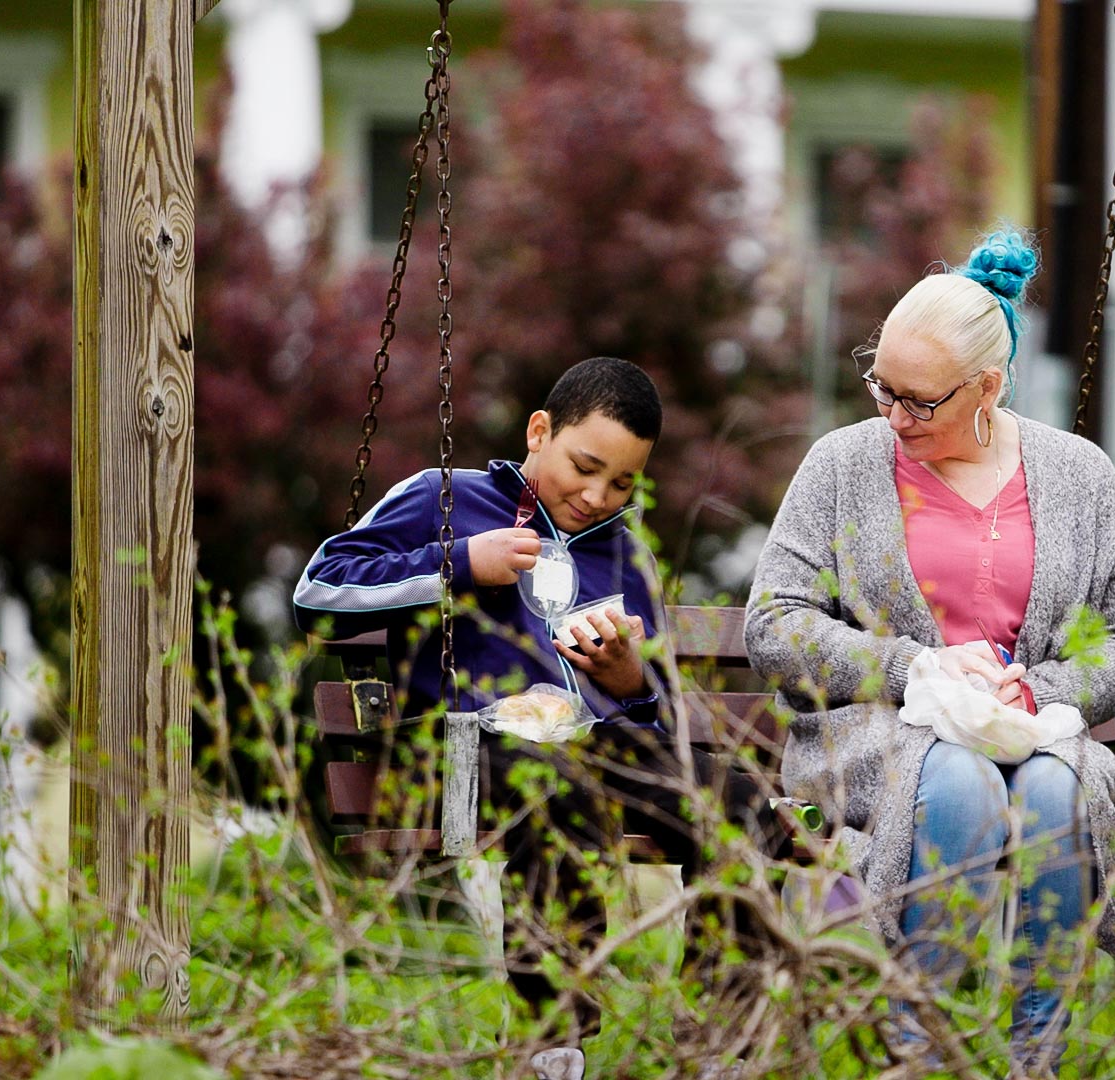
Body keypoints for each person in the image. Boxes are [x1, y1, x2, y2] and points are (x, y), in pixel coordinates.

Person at [744, 231, 1115, 1077]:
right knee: (960, 782)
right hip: (880, 735)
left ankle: (1035, 1056)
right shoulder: (841, 465)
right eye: (884, 391)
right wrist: (919, 669)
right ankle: (918, 1049)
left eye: (921, 402)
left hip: (1037, 734)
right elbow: (773, 622)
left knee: (1057, 786)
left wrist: (1039, 690)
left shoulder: (1079, 476)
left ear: (988, 386)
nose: (895, 418)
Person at [295, 356, 784, 1080]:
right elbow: (319, 589)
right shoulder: (445, 498)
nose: (596, 495)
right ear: (539, 431)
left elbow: (656, 726)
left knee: (744, 804)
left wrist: (630, 682)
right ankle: (558, 1043)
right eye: (585, 466)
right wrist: (460, 559)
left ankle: (720, 1041)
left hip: (594, 750)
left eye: (622, 482)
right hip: (467, 747)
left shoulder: (627, 556)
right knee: (551, 781)